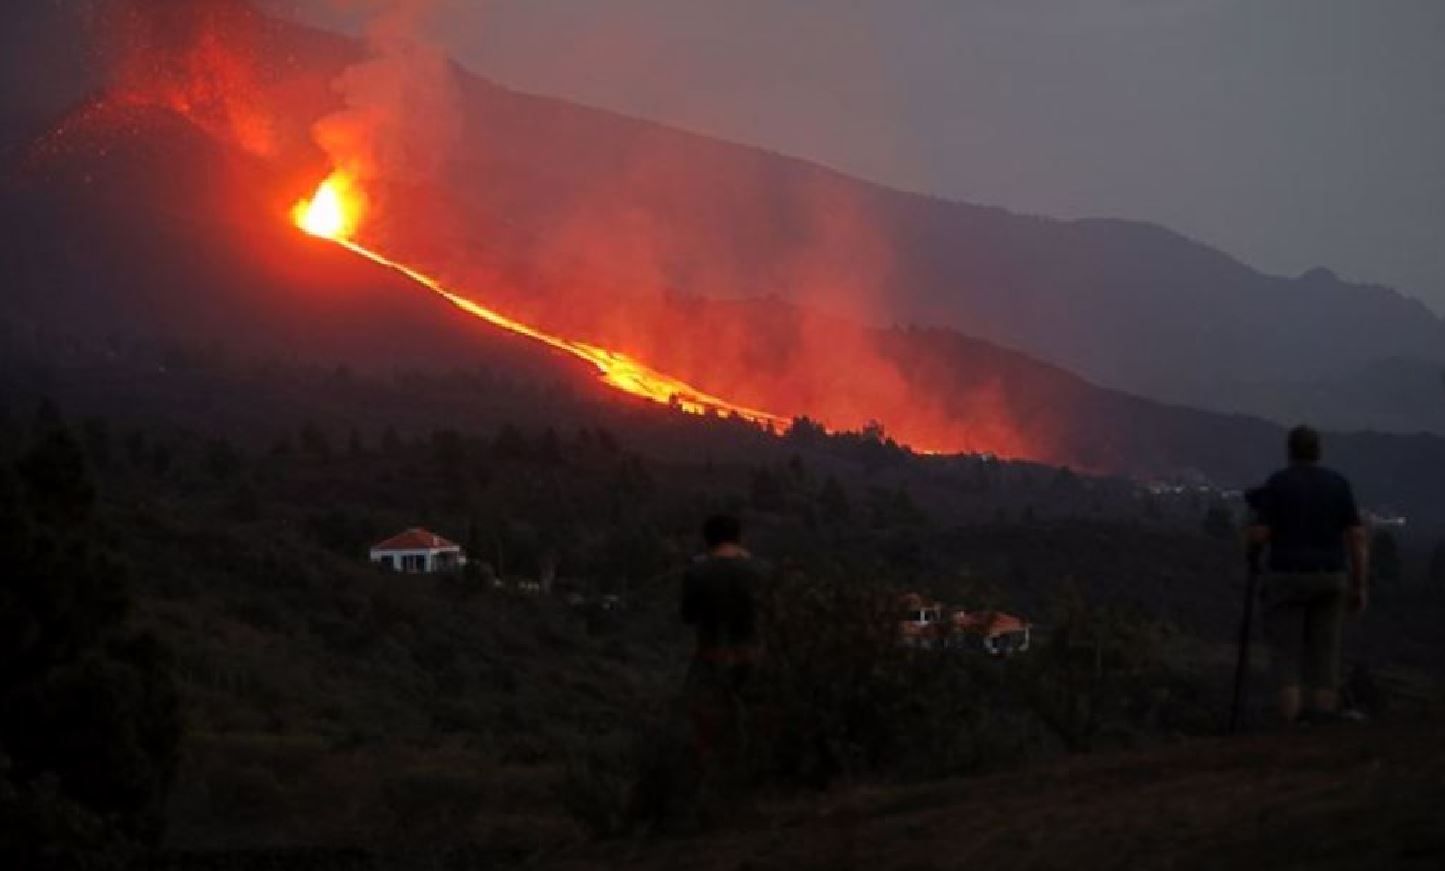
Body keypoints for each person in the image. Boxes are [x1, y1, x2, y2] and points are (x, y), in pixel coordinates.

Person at [1247, 425, 1369, 724]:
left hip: (1287, 578)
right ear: (1318, 451)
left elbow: (1260, 535)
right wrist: (1360, 584)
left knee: (1286, 657)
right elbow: (1357, 537)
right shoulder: (1338, 485)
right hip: (1330, 578)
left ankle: (1290, 733)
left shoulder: (1278, 484)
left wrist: (1251, 537)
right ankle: (1322, 732)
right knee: (1325, 658)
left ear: (1290, 451)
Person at [679, 514, 765, 785]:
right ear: (739, 537)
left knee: (705, 731)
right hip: (755, 658)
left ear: (707, 540)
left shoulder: (696, 573)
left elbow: (688, 616)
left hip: (711, 660)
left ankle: (713, 786)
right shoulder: (761, 570)